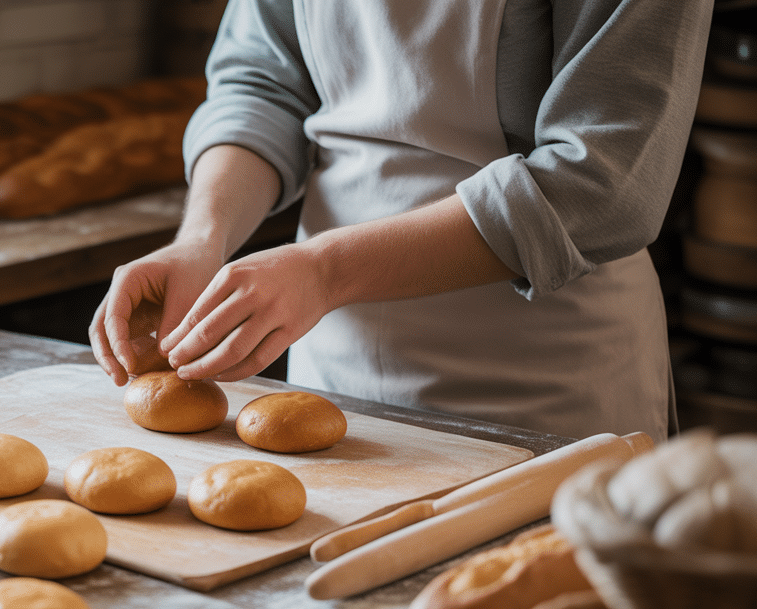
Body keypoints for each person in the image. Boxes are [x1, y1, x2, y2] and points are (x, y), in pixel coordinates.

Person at [90, 0, 713, 444]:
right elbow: (261, 84)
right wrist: (204, 239)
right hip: (328, 357)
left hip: (541, 376)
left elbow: (604, 182)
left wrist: (327, 271)